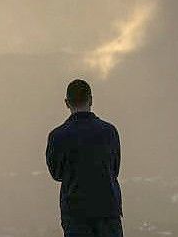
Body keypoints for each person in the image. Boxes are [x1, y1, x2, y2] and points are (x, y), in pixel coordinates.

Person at [46, 79, 123, 237]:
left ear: (67, 103)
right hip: (108, 210)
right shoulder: (109, 132)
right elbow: (114, 169)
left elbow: (56, 174)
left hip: (76, 213)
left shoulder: (58, 136)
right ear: (91, 100)